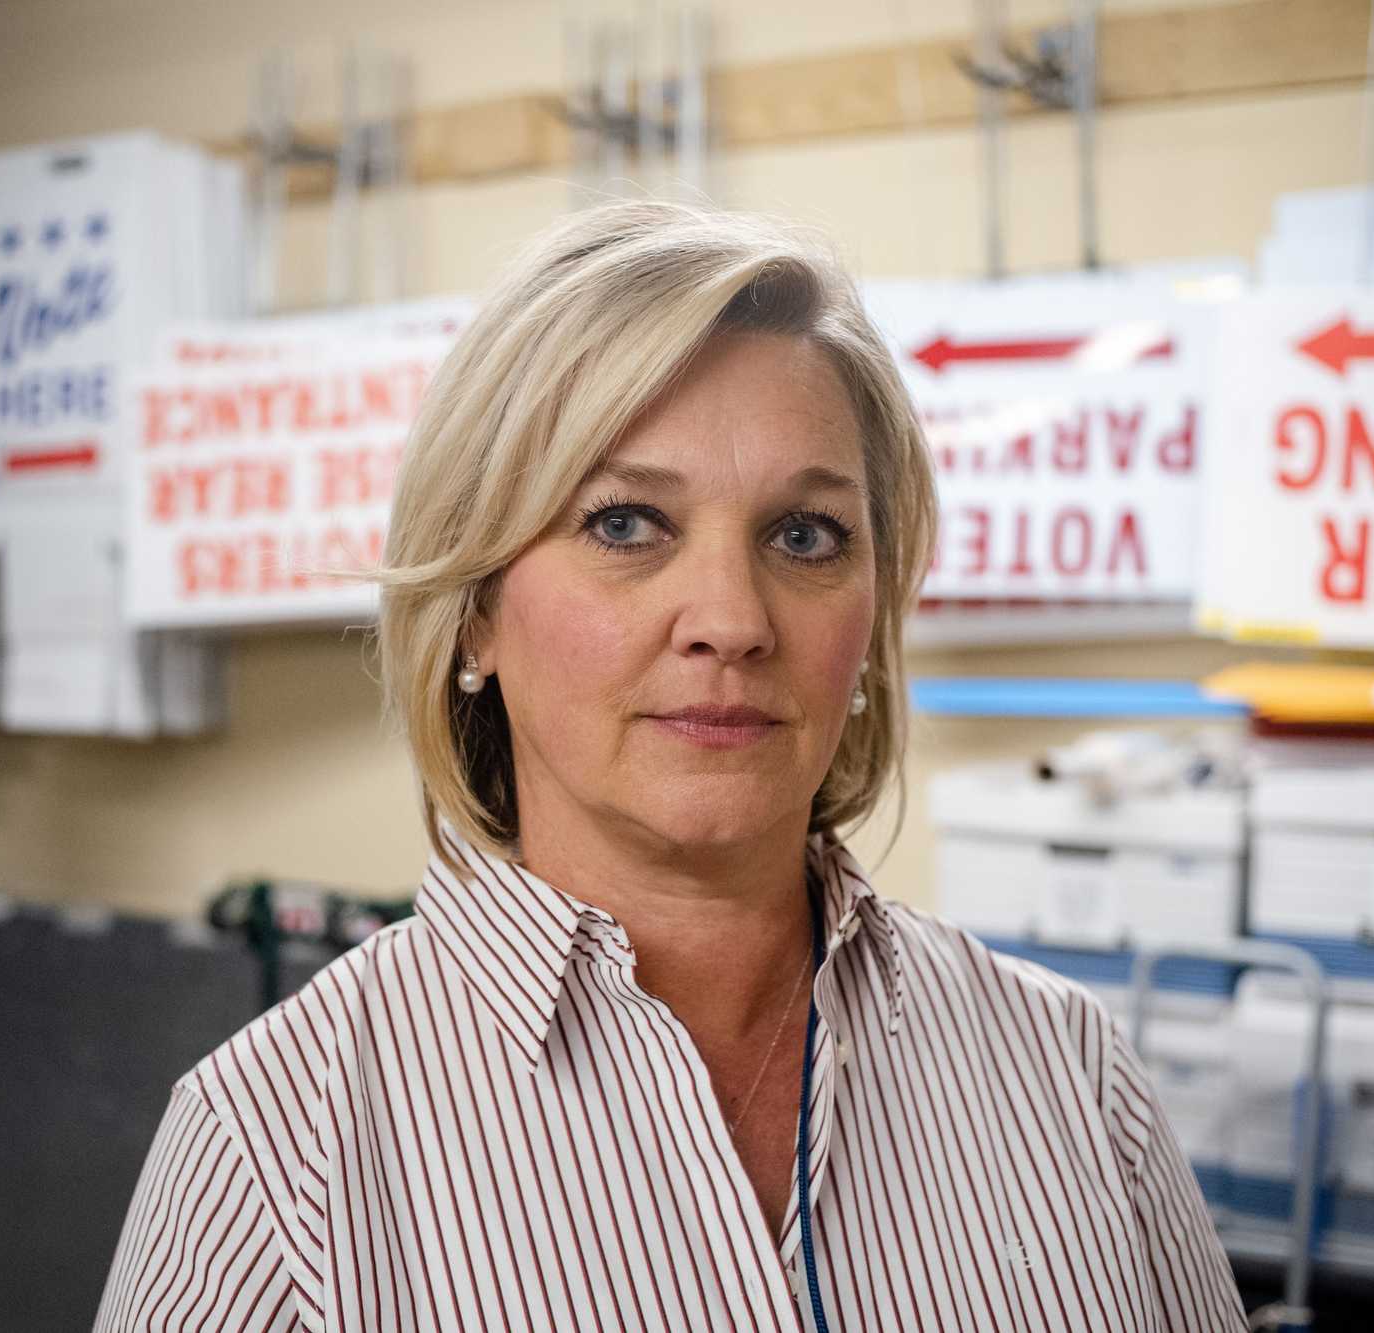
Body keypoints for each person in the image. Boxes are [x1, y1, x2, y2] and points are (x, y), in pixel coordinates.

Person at [92, 201, 1247, 1332]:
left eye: (804, 537)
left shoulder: (1068, 1077)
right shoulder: (275, 1152)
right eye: (625, 524)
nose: (732, 621)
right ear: (476, 613)